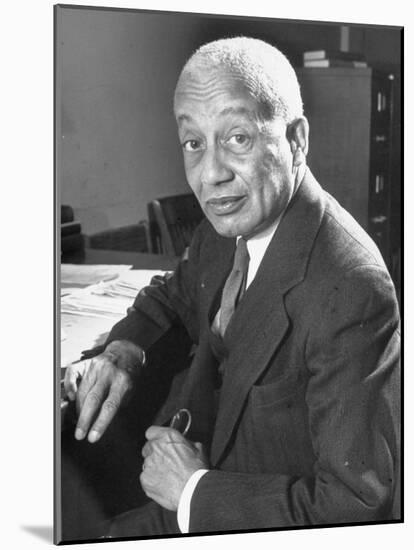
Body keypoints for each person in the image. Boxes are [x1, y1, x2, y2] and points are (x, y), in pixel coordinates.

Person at [64, 37, 400, 536]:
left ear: (296, 140)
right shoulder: (229, 221)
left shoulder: (351, 288)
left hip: (239, 513)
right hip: (178, 451)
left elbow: (357, 506)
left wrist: (193, 490)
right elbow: (173, 292)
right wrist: (121, 351)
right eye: (194, 143)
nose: (211, 174)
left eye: (238, 137)